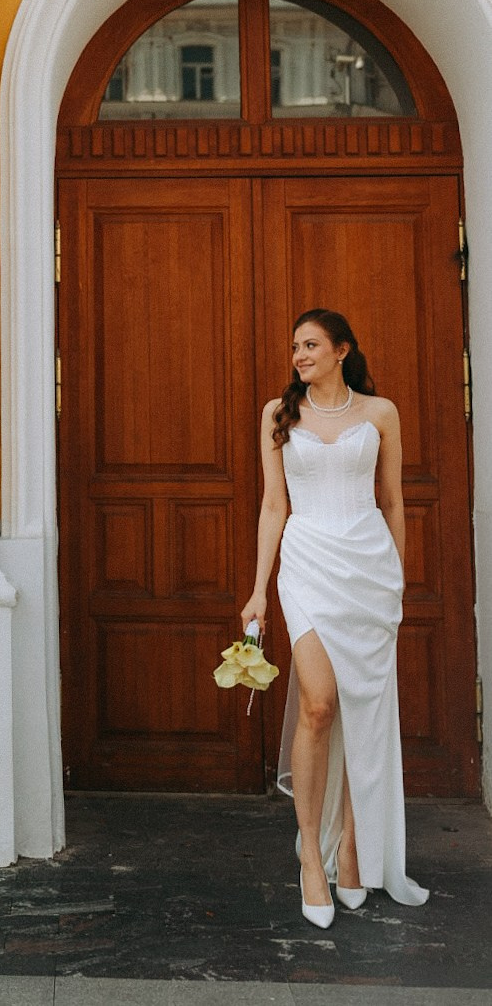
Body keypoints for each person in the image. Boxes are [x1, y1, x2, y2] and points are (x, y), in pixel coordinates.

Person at [241, 308, 428, 927]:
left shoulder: (380, 413)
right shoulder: (278, 413)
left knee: (362, 713)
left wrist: (395, 579)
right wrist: (258, 592)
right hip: (307, 563)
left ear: (342, 349)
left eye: (312, 344)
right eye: (295, 346)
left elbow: (394, 502)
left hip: (369, 571)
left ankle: (352, 848)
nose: (300, 355)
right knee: (319, 703)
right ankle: (311, 863)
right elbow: (273, 504)